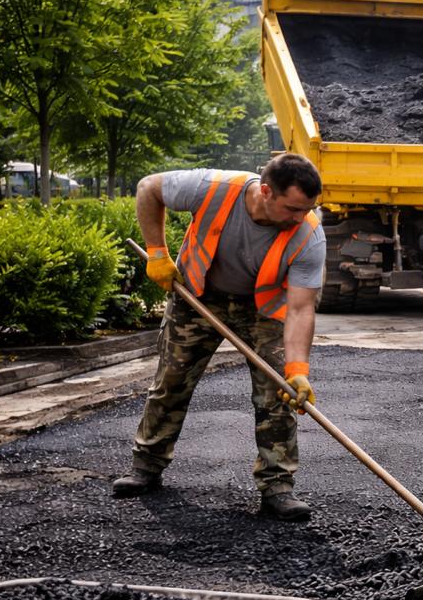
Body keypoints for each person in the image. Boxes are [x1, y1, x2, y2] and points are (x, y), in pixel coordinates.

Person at [111, 154, 327, 522]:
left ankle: (278, 487)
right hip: (196, 296)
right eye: (292, 208)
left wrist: (297, 369)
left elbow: (301, 309)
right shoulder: (213, 188)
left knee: (280, 391)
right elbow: (149, 188)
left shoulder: (309, 235)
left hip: (261, 310)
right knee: (171, 381)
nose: (300, 217)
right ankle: (146, 466)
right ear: (265, 192)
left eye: (308, 209)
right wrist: (157, 253)